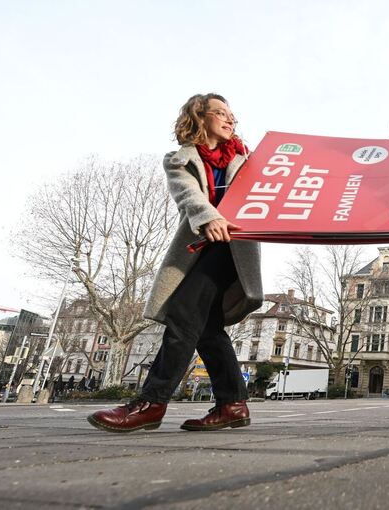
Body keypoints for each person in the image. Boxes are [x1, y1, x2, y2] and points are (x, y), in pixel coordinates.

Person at [88, 93, 263, 433]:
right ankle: (232, 404)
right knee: (208, 329)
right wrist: (207, 216)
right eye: (220, 113)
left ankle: (151, 402)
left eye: (232, 116)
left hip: (234, 248)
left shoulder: (248, 158)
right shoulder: (179, 159)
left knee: (183, 317)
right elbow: (188, 194)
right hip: (201, 245)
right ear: (200, 117)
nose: (230, 120)